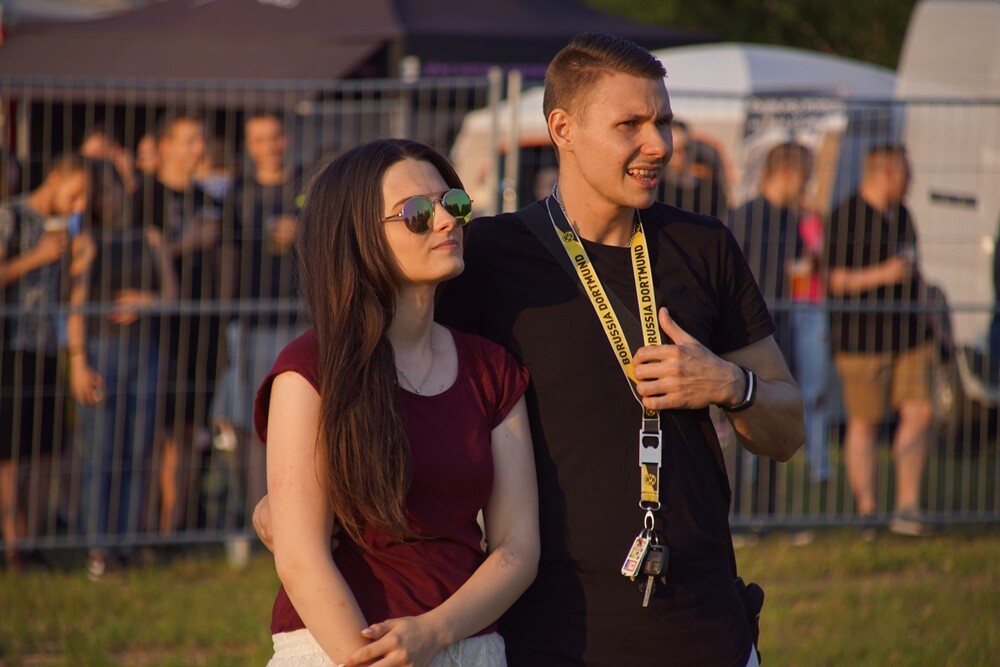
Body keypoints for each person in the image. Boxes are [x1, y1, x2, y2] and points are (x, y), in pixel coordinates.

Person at [255, 33, 803, 665]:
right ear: (563, 128)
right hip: (547, 634)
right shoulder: (485, 256)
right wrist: (290, 501)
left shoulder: (704, 247)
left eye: (663, 122)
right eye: (630, 124)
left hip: (705, 628)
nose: (658, 144)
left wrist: (732, 385)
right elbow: (382, 373)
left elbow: (787, 431)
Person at [255, 139, 539, 665]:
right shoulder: (310, 367)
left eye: (453, 203)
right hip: (337, 645)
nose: (447, 221)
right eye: (416, 214)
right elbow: (300, 557)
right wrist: (368, 658)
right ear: (357, 236)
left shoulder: (491, 368)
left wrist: (434, 632)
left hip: (466, 645)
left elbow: (518, 548)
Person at [69, 158, 178, 578]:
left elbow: (172, 295)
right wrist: (78, 362)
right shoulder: (88, 242)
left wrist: (147, 301)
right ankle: (98, 546)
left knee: (137, 449)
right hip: (100, 354)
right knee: (101, 451)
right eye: (98, 194)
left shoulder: (150, 237)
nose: (106, 199)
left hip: (144, 353)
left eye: (110, 189)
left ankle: (127, 543)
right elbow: (76, 305)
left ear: (123, 188)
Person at [826, 143, 936, 538]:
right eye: (906, 173)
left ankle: (907, 507)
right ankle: (868, 511)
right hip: (862, 341)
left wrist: (931, 318)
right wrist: (883, 274)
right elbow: (832, 280)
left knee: (920, 412)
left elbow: (915, 269)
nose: (911, 181)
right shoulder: (845, 216)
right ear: (886, 173)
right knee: (865, 422)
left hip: (910, 336)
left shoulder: (903, 214)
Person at [132, 113, 228, 536]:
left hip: (203, 330)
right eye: (189, 140)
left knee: (190, 429)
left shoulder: (210, 199)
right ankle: (147, 525)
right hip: (158, 329)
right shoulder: (144, 197)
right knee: (157, 431)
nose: (198, 149)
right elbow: (137, 258)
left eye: (201, 140)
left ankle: (175, 529)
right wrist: (187, 242)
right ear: (165, 146)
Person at [209, 113, 302, 542]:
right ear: (248, 145)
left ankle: (301, 517)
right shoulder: (238, 193)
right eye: (259, 139)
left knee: (302, 424)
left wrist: (302, 232)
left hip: (302, 318)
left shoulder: (308, 184)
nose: (268, 146)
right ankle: (261, 520)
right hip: (250, 322)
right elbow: (226, 254)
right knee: (251, 425)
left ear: (287, 138)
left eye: (274, 136)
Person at [1, 155, 91, 571]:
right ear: (55, 178)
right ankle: (14, 543)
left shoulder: (71, 228)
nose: (79, 205)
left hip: (51, 347)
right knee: (11, 451)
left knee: (46, 449)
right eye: (75, 194)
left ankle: (32, 541)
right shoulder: (12, 215)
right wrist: (37, 257)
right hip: (13, 346)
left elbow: (69, 290)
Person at [729, 141, 831, 507]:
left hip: (781, 325)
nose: (807, 185)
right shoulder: (746, 216)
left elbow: (795, 265)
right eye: (805, 176)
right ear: (786, 173)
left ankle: (767, 510)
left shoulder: (791, 218)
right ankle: (739, 509)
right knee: (742, 413)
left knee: (773, 413)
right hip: (745, 331)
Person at [660, 118, 728, 218]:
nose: (682, 156)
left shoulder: (711, 190)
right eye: (676, 151)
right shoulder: (656, 189)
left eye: (686, 148)